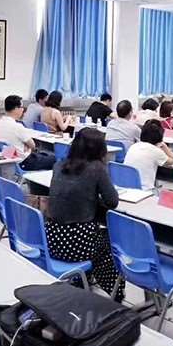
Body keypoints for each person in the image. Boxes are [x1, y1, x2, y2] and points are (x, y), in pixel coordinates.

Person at [46, 128, 122, 299]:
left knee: (94, 232)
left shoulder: (59, 165)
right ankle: (115, 292)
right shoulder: (97, 168)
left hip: (52, 240)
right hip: (78, 246)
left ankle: (83, 280)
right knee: (112, 240)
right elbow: (112, 201)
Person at [0, 95, 55, 171]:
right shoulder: (17, 126)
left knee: (45, 155)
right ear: (16, 109)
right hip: (24, 162)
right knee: (55, 159)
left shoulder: (0, 123)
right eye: (21, 107)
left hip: (10, 159)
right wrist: (26, 146)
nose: (23, 110)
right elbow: (33, 146)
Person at [124, 120, 173, 190]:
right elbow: (172, 161)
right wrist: (163, 145)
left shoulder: (134, 146)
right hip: (145, 190)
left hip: (126, 186)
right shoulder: (155, 151)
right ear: (160, 137)